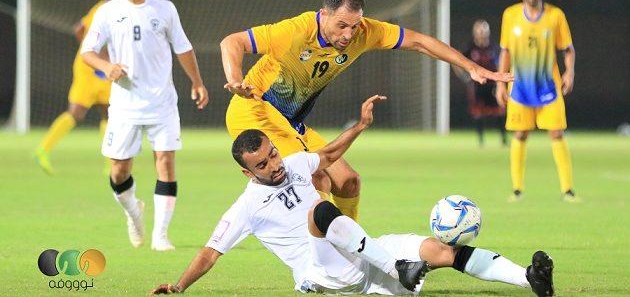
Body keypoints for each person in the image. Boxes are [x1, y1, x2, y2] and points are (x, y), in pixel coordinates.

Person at [150, 96, 554, 296]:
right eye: (263, 164)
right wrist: (179, 287)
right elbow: (210, 253)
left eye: (273, 154)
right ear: (247, 172)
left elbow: (327, 155)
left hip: (361, 256)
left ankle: (530, 279)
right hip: (322, 273)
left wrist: (360, 125)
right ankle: (397, 268)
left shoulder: (293, 163)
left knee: (438, 250)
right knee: (319, 211)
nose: (275, 164)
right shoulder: (246, 207)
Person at [221, 0, 513, 222]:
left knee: (348, 182)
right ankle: (322, 256)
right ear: (324, 14)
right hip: (254, 111)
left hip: (289, 122)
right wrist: (235, 78)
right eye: (341, 25)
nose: (348, 34)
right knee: (316, 180)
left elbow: (420, 41)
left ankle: (350, 246)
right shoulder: (295, 31)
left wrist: (470, 66)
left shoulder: (363, 33)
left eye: (354, 25)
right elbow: (232, 42)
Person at [81, 0, 209, 251]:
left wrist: (197, 82)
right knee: (118, 171)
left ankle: (160, 235)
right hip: (125, 104)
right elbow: (87, 52)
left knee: (165, 162)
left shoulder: (165, 9)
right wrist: (107, 67)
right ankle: (133, 212)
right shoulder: (107, 12)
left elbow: (183, 48)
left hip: (162, 102)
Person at [496, 0, 578, 202]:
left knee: (557, 133)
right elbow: (505, 51)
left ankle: (567, 190)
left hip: (548, 86)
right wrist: (500, 82)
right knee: (520, 134)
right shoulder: (510, 15)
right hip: (519, 87)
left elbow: (568, 49)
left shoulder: (555, 15)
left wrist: (569, 72)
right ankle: (517, 189)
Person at [35, 0, 122, 175]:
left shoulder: (115, 11)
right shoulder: (102, 11)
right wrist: (91, 51)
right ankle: (43, 150)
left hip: (103, 70)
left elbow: (80, 28)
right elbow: (80, 30)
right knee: (77, 112)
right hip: (88, 69)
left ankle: (110, 162)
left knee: (109, 112)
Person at [454, 19, 506, 147]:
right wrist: (465, 76)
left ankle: (504, 139)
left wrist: (500, 79)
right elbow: (457, 60)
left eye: (483, 31)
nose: (481, 34)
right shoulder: (470, 47)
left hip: (492, 85)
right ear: (475, 33)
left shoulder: (494, 47)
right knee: (478, 112)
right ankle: (481, 141)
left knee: (499, 111)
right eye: (479, 32)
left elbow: (502, 62)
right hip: (477, 85)